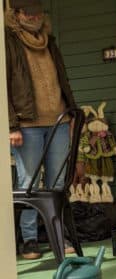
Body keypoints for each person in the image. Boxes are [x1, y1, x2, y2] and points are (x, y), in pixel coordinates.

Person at [5, 0, 76, 259]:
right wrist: (12, 125)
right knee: (29, 184)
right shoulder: (8, 42)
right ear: (16, 14)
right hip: (27, 125)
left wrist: (71, 113)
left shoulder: (50, 41)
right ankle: (30, 240)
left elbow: (62, 79)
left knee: (57, 183)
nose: (34, 16)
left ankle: (59, 234)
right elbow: (4, 85)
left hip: (58, 121)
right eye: (28, 11)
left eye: (38, 11)